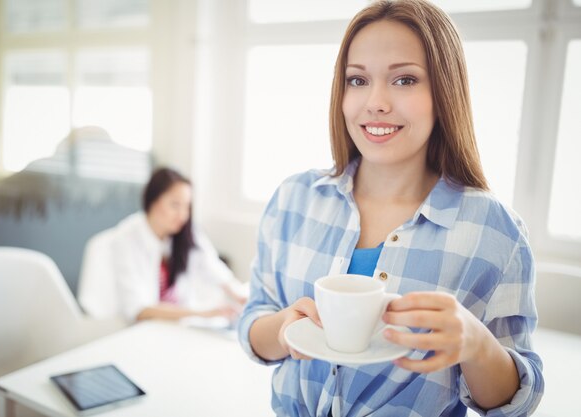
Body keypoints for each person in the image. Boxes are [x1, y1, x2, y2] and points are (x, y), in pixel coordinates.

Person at [238, 1, 544, 416]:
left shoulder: (496, 232)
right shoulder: (295, 200)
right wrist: (285, 328)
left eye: (404, 79)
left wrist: (474, 343)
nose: (376, 102)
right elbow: (254, 319)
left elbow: (516, 402)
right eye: (358, 80)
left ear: (443, 91)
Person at [105, 167, 246, 322]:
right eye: (175, 205)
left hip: (179, 325)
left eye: (187, 206)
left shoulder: (186, 232)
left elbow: (213, 267)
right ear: (153, 201)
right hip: (146, 328)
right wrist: (202, 313)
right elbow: (138, 310)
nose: (183, 215)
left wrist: (239, 295)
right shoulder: (126, 239)